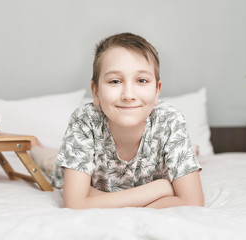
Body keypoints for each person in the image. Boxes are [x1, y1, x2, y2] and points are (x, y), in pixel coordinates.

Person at [50, 32, 204, 209]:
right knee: (47, 160)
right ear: (95, 91)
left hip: (101, 182)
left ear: (156, 91)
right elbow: (75, 204)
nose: (128, 95)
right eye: (115, 81)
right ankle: (38, 147)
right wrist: (159, 188)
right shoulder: (85, 120)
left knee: (185, 159)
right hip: (67, 166)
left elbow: (192, 202)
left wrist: (92, 198)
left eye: (142, 80)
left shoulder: (169, 120)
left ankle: (194, 152)